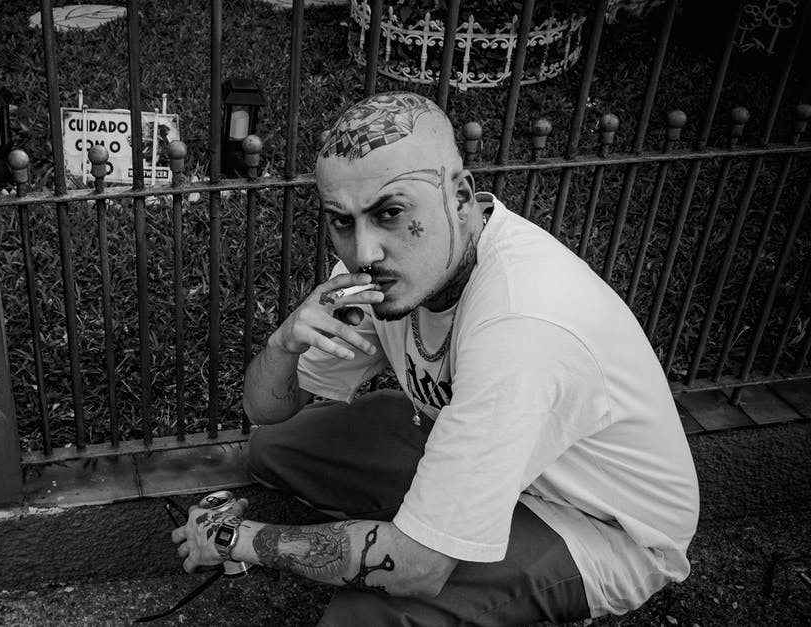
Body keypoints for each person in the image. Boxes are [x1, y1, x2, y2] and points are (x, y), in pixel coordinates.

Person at [171, 92, 699, 625]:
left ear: (461, 196)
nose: (364, 253)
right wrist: (283, 342)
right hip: (482, 449)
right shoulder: (389, 273)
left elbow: (417, 568)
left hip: (595, 525)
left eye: (392, 213)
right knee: (275, 449)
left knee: (365, 615)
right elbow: (267, 411)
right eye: (342, 221)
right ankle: (432, 513)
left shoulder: (523, 325)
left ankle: (439, 534)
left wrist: (231, 538)